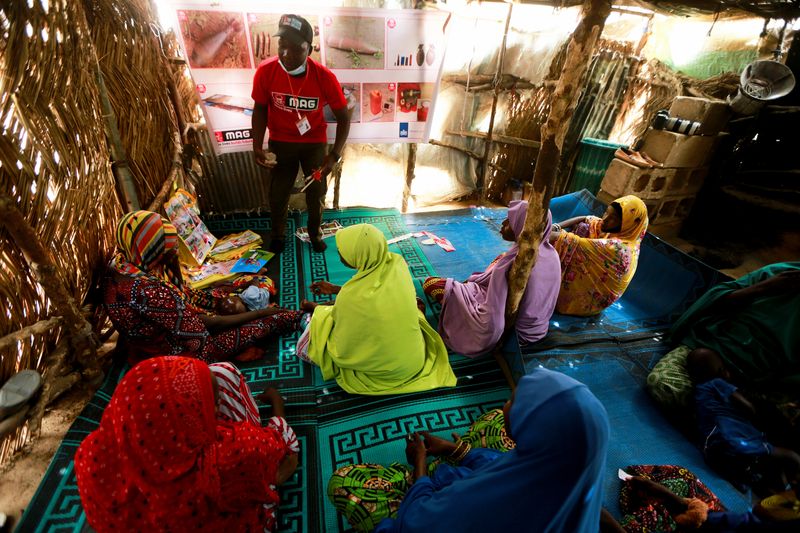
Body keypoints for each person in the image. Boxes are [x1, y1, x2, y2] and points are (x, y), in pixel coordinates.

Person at [328, 368, 610, 532]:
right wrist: (456, 449)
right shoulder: (574, 476)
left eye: (513, 401)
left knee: (343, 483)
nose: (505, 407)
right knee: (494, 424)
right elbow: (499, 464)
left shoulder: (489, 504)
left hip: (427, 514)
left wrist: (420, 464)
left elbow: (416, 522)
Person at [74, 356, 299, 532]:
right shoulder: (228, 456)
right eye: (214, 403)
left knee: (219, 373)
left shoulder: (91, 456)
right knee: (225, 373)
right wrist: (277, 403)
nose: (217, 408)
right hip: (233, 517)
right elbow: (287, 456)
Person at [103, 210, 302, 364]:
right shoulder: (150, 291)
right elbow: (203, 327)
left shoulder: (123, 265)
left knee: (225, 292)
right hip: (175, 352)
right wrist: (262, 314)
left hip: (151, 340)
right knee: (272, 321)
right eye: (168, 252)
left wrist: (223, 296)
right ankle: (294, 317)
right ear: (151, 250)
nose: (175, 255)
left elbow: (184, 295)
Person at [297, 223, 456, 395]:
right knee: (413, 303)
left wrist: (317, 310)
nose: (340, 255)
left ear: (360, 255)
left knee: (313, 334)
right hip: (414, 363)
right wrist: (336, 289)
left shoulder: (351, 298)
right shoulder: (397, 263)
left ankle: (311, 314)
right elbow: (373, 297)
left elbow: (342, 349)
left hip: (384, 376)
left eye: (342, 251)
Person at [251, 14, 351, 254]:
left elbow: (343, 117)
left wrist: (334, 155)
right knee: (278, 192)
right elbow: (260, 109)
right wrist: (257, 146)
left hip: (313, 144)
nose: (286, 54)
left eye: (296, 49)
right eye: (282, 46)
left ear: (310, 49)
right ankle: (277, 235)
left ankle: (315, 233)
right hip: (281, 144)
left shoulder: (324, 77)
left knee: (316, 192)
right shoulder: (266, 72)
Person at [422, 201, 560, 356]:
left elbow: (493, 315)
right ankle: (468, 288)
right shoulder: (552, 254)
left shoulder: (517, 263)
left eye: (510, 221)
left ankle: (461, 294)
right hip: (537, 331)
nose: (503, 223)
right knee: (500, 258)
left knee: (431, 284)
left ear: (522, 227)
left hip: (515, 333)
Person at [670, 263, 800, 391]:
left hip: (761, 374)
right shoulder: (779, 272)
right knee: (666, 385)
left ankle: (729, 394)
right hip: (713, 345)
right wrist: (764, 287)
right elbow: (719, 301)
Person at [686, 348, 800, 493]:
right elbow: (747, 407)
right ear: (721, 370)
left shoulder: (698, 392)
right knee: (792, 457)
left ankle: (757, 481)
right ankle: (789, 489)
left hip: (711, 449)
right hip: (735, 440)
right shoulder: (717, 383)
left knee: (762, 465)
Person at [599, 464, 800, 532]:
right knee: (681, 478)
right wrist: (672, 498)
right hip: (708, 522)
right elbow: (711, 521)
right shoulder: (748, 523)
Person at [550, 195, 648, 316]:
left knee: (563, 245)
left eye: (613, 218)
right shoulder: (621, 232)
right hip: (590, 284)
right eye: (606, 212)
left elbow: (563, 239)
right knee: (584, 228)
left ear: (630, 223)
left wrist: (541, 232)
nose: (605, 219)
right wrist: (556, 226)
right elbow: (586, 219)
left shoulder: (620, 249)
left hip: (587, 302)